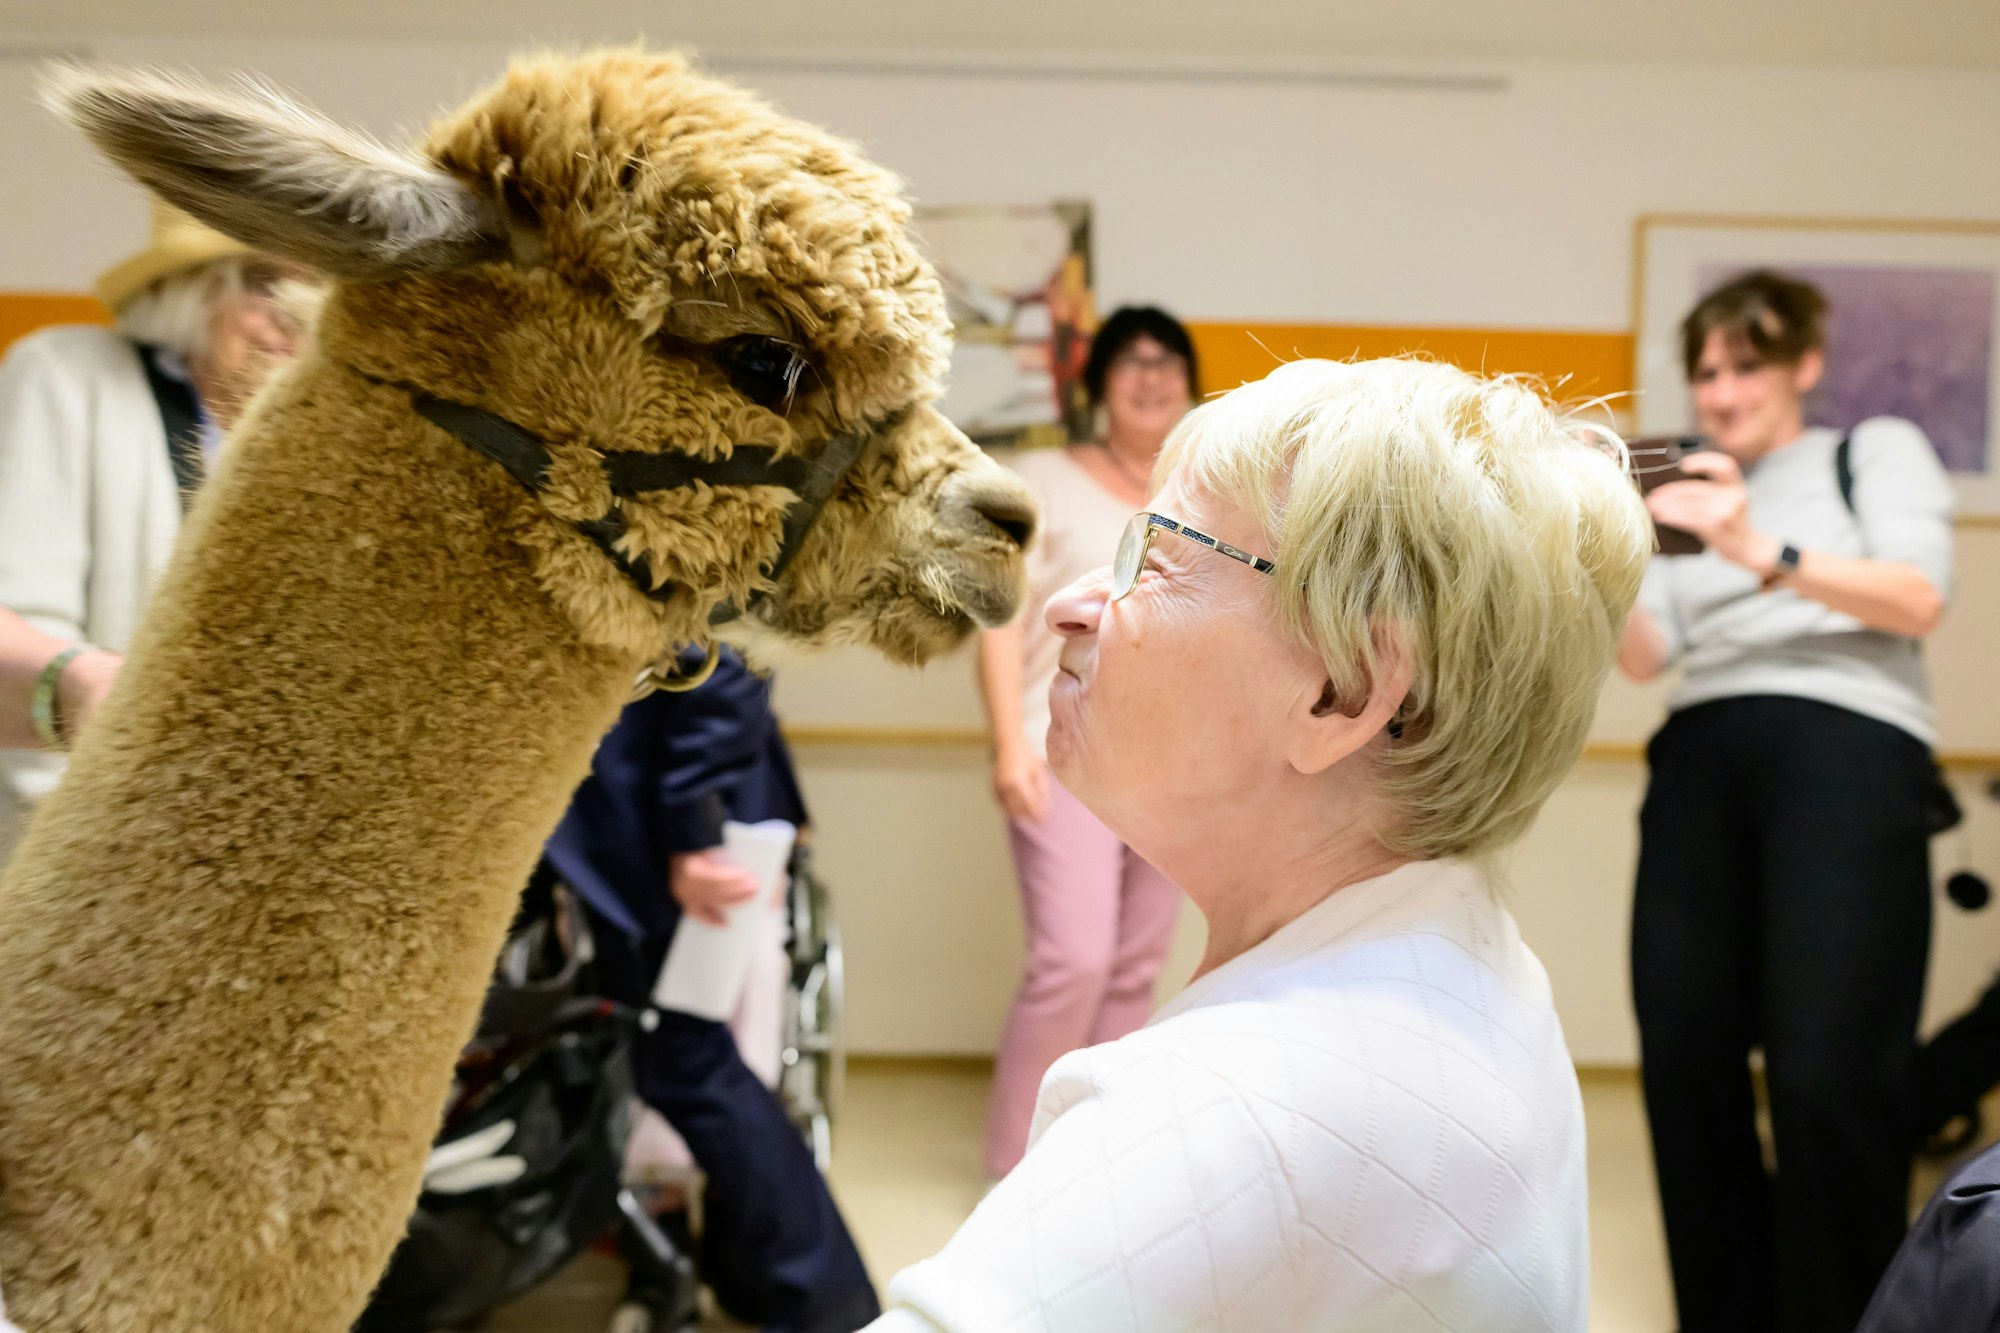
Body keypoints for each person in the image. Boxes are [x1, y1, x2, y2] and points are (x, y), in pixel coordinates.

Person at [870, 357, 1650, 1331]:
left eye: (1148, 562)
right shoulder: (1470, 957)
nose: (1067, 606)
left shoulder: (1221, 1117)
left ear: (1344, 691)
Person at [1618, 270, 1955, 1332]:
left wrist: (1750, 543)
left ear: (1802, 365)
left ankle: (1849, 1318)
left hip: (1845, 743)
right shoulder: (1672, 478)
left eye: (1745, 365)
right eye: (1704, 371)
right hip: (1699, 747)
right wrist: (1602, 555)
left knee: (1826, 1073)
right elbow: (1647, 657)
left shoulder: (1870, 450)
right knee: (1683, 1061)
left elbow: (1916, 594)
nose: (1719, 393)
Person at [539, 646, 879, 1333]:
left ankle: (825, 1301)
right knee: (682, 1061)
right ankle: (752, 1280)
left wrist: (693, 824)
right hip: (670, 813)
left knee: (689, 1061)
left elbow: (728, 651)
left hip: (682, 824)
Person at [0, 200, 307, 852]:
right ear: (192, 290)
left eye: (321, 288)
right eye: (265, 284)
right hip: (86, 852)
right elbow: (20, 623)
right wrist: (87, 851)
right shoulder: (66, 374)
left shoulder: (326, 432)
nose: (294, 317)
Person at [975, 305, 1199, 1178]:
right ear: (1097, 383)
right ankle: (1012, 1170)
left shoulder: (1201, 492)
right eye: (1130, 362)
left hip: (1177, 763)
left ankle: (1095, 1163)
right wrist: (1006, 744)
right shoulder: (1039, 478)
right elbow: (999, 619)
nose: (1151, 376)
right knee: (1073, 958)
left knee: (1136, 965)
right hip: (1059, 747)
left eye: (1168, 362)